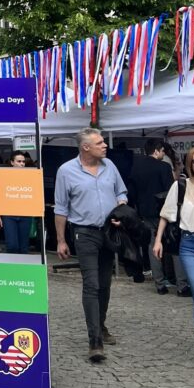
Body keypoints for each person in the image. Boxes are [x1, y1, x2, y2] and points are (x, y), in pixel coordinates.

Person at [54, 127, 128, 362]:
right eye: (99, 143)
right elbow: (61, 208)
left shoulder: (110, 167)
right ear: (86, 147)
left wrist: (121, 209)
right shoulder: (66, 171)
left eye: (103, 142)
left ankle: (102, 325)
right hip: (83, 233)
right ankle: (94, 339)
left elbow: (121, 192)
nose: (105, 145)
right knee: (91, 284)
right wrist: (61, 240)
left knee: (105, 284)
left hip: (108, 231)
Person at [129, 139, 187, 295]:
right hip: (164, 212)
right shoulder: (163, 167)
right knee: (174, 245)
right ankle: (181, 285)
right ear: (157, 150)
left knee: (153, 246)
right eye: (162, 151)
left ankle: (160, 284)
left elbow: (132, 193)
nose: (163, 154)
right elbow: (171, 191)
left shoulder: (136, 167)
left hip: (145, 212)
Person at [153, 146, 194, 341]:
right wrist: (158, 241)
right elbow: (165, 214)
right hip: (189, 245)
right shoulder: (180, 186)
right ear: (191, 164)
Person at [0, 151, 33, 254]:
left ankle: (22, 269)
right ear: (12, 162)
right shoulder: (4, 176)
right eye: (19, 161)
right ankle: (12, 268)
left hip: (25, 214)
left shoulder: (30, 176)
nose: (22, 164)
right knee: (12, 245)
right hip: (9, 214)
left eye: (23, 162)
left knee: (24, 247)